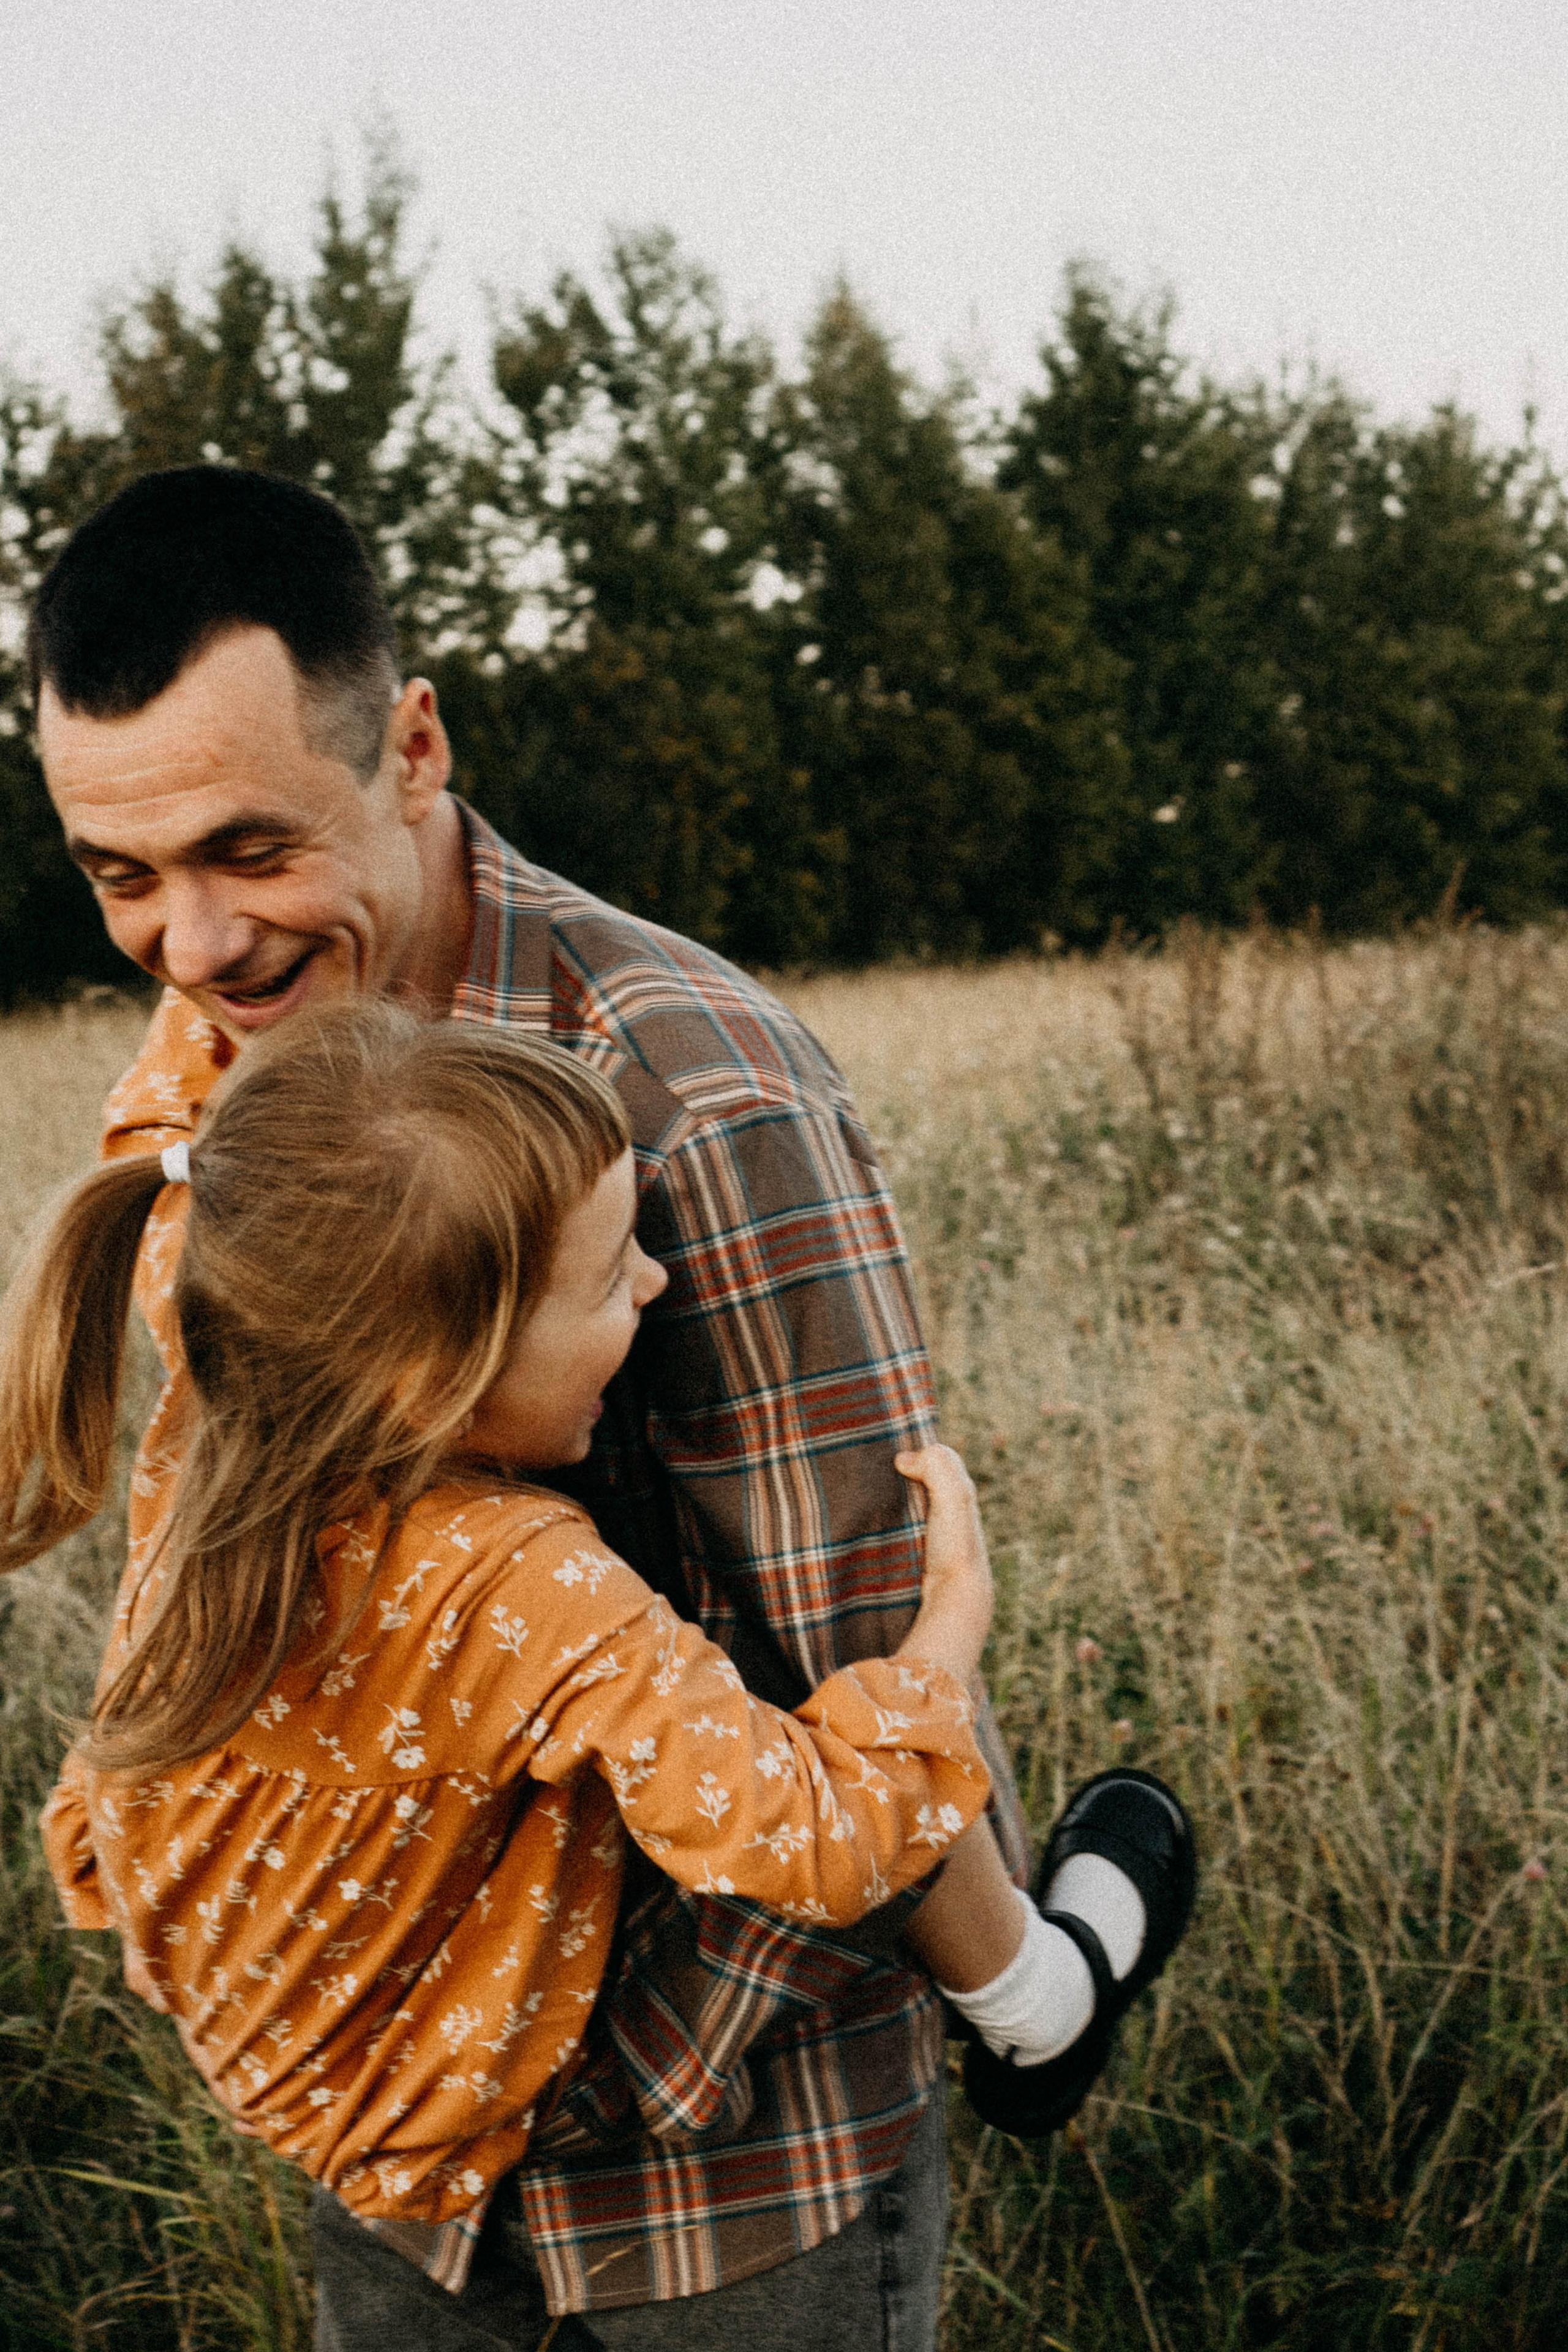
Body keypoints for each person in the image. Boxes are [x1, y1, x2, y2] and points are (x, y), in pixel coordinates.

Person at [28, 467, 1194, 2349]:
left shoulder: (693, 1098)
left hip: (731, 2203)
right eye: (121, 876)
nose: (191, 946)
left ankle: (1046, 1995)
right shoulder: (222, 1072)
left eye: (251, 850)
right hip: (394, 2187)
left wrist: (607, 2080)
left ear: (413, 746)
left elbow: (861, 1662)